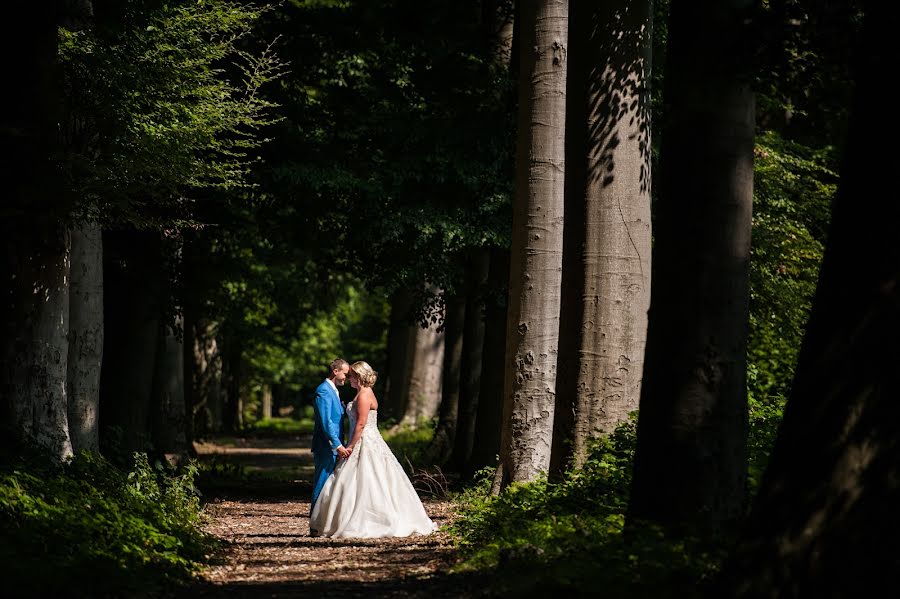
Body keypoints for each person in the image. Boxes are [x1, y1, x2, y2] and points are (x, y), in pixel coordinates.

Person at [309, 360, 437, 538]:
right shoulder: (361, 393)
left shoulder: (363, 395)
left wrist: (350, 446)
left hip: (364, 441)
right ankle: (323, 522)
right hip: (362, 440)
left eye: (352, 376)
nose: (349, 379)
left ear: (359, 377)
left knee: (367, 479)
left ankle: (360, 519)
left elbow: (361, 424)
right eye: (348, 375)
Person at [311, 358, 351, 520]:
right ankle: (315, 522)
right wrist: (337, 445)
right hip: (326, 447)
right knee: (322, 483)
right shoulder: (324, 390)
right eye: (345, 374)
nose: (346, 378)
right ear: (336, 371)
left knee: (330, 485)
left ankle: (324, 521)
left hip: (333, 447)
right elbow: (325, 421)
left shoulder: (333, 390)